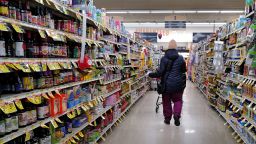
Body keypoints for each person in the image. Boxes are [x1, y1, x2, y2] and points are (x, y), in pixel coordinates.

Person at [149, 40, 186, 126]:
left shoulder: (164, 58)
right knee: (178, 101)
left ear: (168, 47)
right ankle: (176, 115)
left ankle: (167, 119)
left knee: (166, 102)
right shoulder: (181, 58)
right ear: (176, 47)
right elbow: (184, 70)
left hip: (166, 85)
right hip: (178, 85)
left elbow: (160, 72)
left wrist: (150, 74)